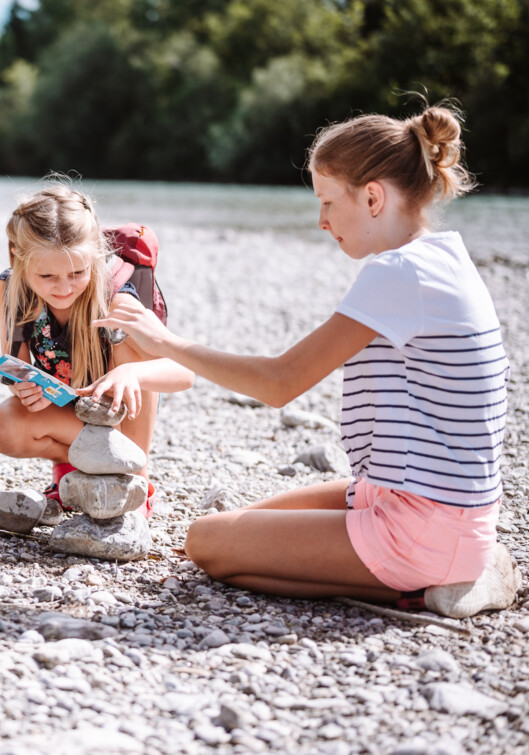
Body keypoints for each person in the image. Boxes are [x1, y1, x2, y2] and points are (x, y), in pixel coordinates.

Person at [94, 105, 519, 618]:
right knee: (235, 528)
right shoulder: (443, 257)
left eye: (326, 202)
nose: (320, 222)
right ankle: (454, 567)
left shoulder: (399, 273)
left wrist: (166, 341)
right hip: (425, 506)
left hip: (421, 528)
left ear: (372, 196)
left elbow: (280, 382)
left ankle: (435, 588)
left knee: (207, 543)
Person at [0, 183, 194, 513]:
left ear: (94, 256)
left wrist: (131, 372)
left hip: (120, 421)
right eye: (47, 276)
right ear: (18, 258)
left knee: (127, 343)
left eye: (77, 272)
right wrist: (22, 389)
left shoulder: (119, 295)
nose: (64, 287)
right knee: (3, 427)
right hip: (73, 415)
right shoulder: (9, 287)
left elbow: (184, 373)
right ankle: (78, 467)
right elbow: (14, 365)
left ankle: (134, 478)